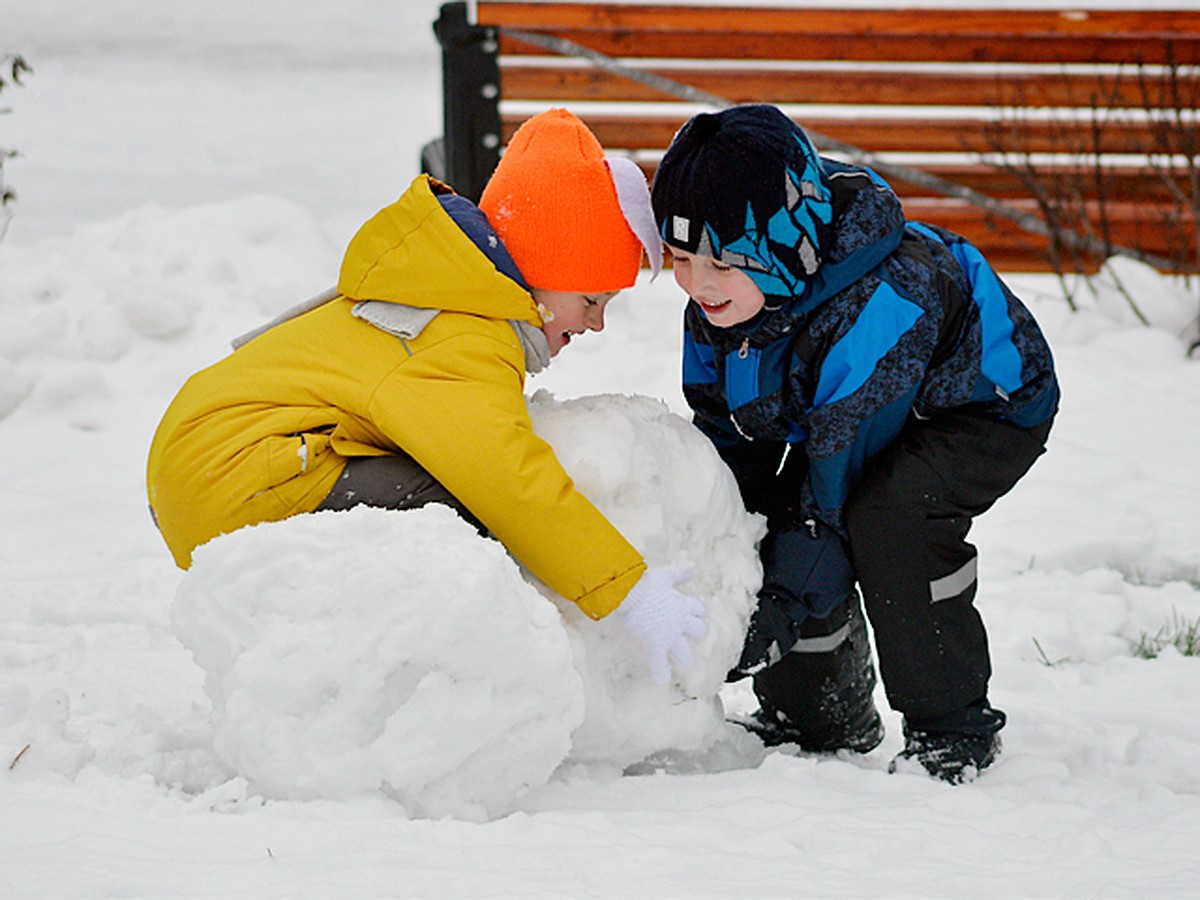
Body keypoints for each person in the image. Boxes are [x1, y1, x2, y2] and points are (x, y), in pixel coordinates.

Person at [146, 108, 707, 686]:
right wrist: (628, 590)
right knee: (466, 519)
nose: (596, 324)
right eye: (591, 300)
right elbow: (508, 480)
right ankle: (434, 683)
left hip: (222, 466)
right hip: (237, 477)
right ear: (544, 269)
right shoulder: (464, 335)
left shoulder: (447, 292)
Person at [650, 104, 1059, 783]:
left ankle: (952, 728)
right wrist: (713, 542)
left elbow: (836, 489)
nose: (697, 283)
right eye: (682, 257)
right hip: (839, 414)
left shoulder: (886, 303)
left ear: (782, 248)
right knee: (770, 516)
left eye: (721, 263)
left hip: (981, 408)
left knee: (888, 517)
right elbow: (727, 438)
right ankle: (821, 717)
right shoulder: (727, 304)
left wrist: (778, 609)